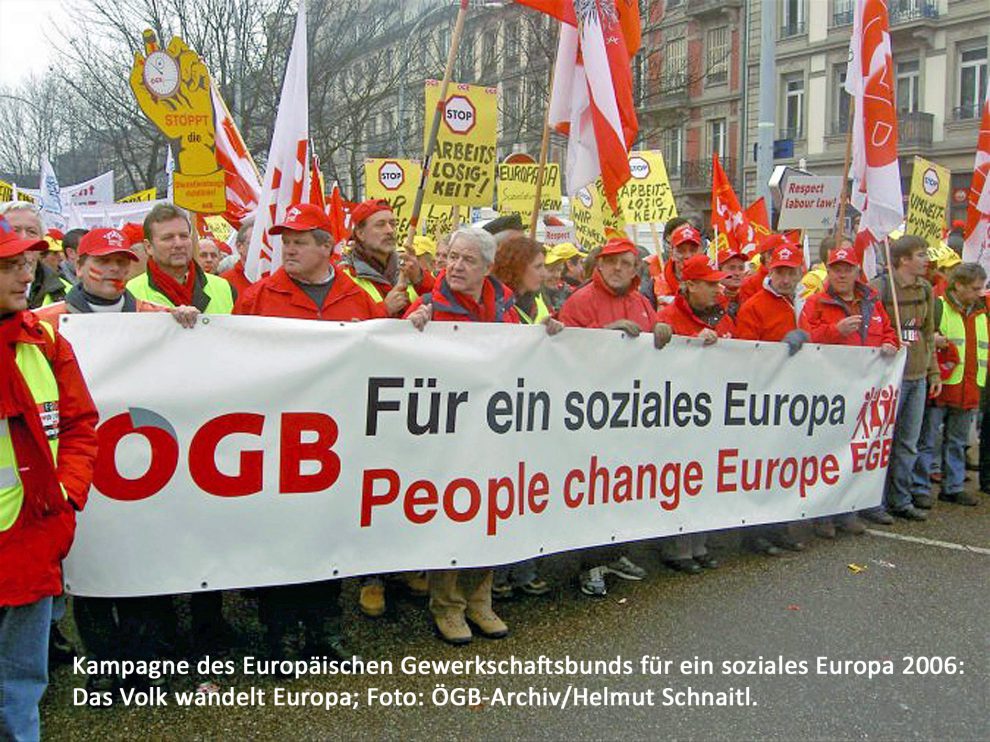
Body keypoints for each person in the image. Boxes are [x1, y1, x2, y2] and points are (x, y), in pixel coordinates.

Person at [34, 228, 201, 693]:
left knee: (142, 565)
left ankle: (146, 666)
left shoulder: (151, 315)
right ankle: (107, 671)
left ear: (132, 267)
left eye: (120, 262)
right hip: (82, 458)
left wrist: (187, 321)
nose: (111, 271)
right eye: (101, 262)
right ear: (79, 265)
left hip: (142, 457)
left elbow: (192, 345)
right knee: (91, 571)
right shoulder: (48, 320)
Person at [236, 203, 379, 660]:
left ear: (327, 247)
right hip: (278, 441)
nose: (289, 249)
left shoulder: (357, 298)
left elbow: (386, 352)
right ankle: (280, 632)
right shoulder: (258, 297)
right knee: (280, 536)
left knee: (329, 532)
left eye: (299, 242)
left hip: (340, 442)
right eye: (285, 242)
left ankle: (324, 628)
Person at [405, 227, 534, 644]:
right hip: (451, 436)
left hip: (495, 429)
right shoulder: (430, 307)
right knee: (456, 514)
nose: (456, 266)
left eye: (468, 260)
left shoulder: (506, 309)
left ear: (488, 268)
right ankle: (448, 605)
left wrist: (547, 339)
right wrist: (410, 327)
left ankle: (480, 599)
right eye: (452, 258)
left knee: (492, 513)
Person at [0, 216, 98, 740]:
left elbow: (81, 424)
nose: (24, 275)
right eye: (9, 265)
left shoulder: (45, 343)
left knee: (20, 686)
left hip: (31, 543)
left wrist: (66, 494)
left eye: (26, 262)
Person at [558, 237, 672, 596]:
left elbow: (657, 344)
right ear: (599, 265)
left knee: (621, 488)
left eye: (626, 263)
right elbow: (563, 351)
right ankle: (590, 563)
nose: (618, 269)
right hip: (590, 413)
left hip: (629, 415)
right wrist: (603, 335)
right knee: (592, 491)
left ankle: (616, 552)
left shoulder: (640, 302)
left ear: (635, 269)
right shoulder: (581, 301)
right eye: (611, 262)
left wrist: (664, 332)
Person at [800, 245, 898, 537]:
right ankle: (823, 515)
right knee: (827, 454)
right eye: (836, 269)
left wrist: (891, 343)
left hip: (865, 391)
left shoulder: (872, 302)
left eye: (848, 269)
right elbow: (806, 339)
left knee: (857, 452)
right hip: (829, 392)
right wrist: (835, 331)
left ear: (858, 271)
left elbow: (889, 331)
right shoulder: (815, 302)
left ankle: (849, 510)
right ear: (828, 271)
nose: (842, 274)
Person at [654, 254, 734, 571]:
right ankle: (677, 548)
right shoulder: (670, 316)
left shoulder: (723, 316)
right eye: (710, 284)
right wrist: (691, 345)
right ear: (689, 286)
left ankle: (699, 544)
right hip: (681, 413)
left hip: (715, 411)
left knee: (707, 478)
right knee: (681, 478)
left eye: (718, 283)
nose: (718, 289)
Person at [488, 236, 557, 599]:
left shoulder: (537, 301)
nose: (545, 274)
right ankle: (497, 572)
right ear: (517, 267)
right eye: (539, 267)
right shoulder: (498, 301)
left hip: (532, 409)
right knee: (502, 492)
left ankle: (524, 567)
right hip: (503, 411)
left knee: (529, 491)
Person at [734, 241, 810, 554]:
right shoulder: (754, 305)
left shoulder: (802, 302)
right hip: (764, 398)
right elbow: (746, 352)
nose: (785, 278)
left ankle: (780, 527)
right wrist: (781, 346)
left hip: (791, 398)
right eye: (780, 271)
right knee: (761, 467)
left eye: (791, 272)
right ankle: (755, 533)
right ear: (770, 270)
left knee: (785, 466)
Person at [867, 235, 938, 522]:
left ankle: (901, 498)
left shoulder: (925, 289)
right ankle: (874, 501)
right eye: (920, 255)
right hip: (888, 378)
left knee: (908, 442)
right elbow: (873, 329)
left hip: (917, 374)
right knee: (881, 441)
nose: (926, 260)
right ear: (903, 259)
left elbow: (926, 330)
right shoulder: (880, 287)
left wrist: (932, 370)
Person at [912, 262, 988, 509]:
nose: (980, 293)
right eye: (976, 288)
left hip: (968, 387)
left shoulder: (980, 312)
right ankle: (920, 488)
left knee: (956, 440)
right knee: (929, 439)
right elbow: (923, 336)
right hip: (942, 385)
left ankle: (953, 488)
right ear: (959, 285)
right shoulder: (939, 306)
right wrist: (933, 341)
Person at [127, 203, 236, 313]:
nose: (178, 244)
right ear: (149, 247)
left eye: (184, 236)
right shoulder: (130, 293)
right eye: (168, 238)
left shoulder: (224, 288)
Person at [341, 199, 433, 317]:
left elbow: (443, 305)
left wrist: (420, 280)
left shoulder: (409, 270)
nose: (390, 230)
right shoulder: (345, 277)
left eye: (393, 224)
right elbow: (345, 326)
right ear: (360, 234)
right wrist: (385, 309)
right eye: (380, 225)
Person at [0, 203, 68, 309]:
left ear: (42, 238)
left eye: (31, 231)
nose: (23, 237)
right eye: (14, 231)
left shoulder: (66, 292)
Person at [652, 221, 703, 302]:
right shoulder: (654, 284)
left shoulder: (713, 284)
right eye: (681, 250)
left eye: (693, 250)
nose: (687, 256)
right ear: (672, 253)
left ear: (701, 252)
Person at [219, 219, 254, 296]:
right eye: (254, 242)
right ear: (239, 247)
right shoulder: (224, 282)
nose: (260, 247)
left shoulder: (272, 279)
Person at [717, 246, 749, 319]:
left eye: (741, 268)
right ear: (718, 270)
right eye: (732, 268)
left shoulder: (749, 295)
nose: (737, 273)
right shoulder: (709, 299)